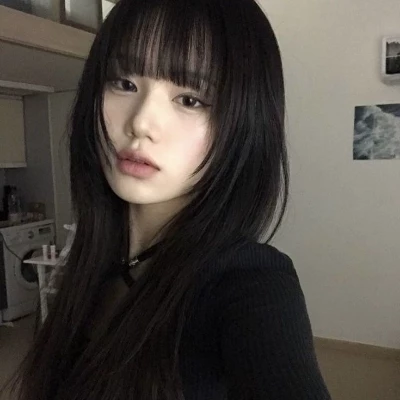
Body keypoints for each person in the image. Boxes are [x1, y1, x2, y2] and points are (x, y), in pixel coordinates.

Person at [3, 0, 331, 399]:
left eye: (190, 99)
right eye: (124, 83)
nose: (141, 122)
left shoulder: (249, 282)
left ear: (243, 124)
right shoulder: (90, 266)